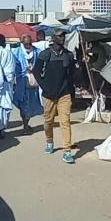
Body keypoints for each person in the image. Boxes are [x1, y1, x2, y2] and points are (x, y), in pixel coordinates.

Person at [32, 30, 80, 163]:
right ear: (53, 38)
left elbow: (72, 74)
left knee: (65, 122)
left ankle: (67, 151)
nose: (62, 38)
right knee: (48, 121)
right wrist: (45, 87)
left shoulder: (68, 55)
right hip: (49, 94)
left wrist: (71, 89)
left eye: (63, 36)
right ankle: (49, 141)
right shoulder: (45, 54)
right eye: (59, 36)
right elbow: (36, 71)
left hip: (64, 94)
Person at [10, 34, 42, 134]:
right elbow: (14, 67)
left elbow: (41, 65)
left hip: (33, 83)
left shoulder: (37, 51)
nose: (28, 45)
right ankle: (25, 125)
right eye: (26, 44)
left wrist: (34, 70)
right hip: (21, 83)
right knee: (22, 103)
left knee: (30, 104)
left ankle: (26, 125)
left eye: (29, 43)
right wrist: (24, 70)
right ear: (22, 43)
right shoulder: (16, 52)